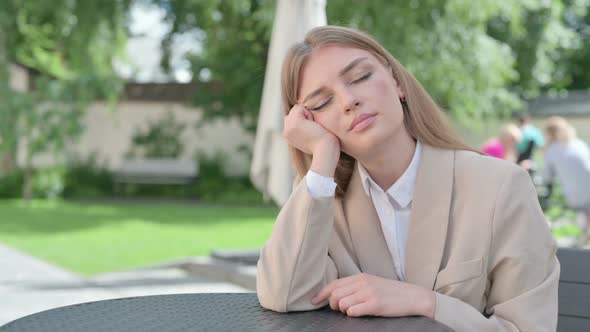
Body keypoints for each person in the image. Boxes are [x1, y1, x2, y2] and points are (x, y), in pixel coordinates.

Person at [256, 26, 559, 332]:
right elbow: (285, 294)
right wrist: (322, 156)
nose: (348, 100)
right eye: (321, 103)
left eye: (360, 77)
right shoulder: (320, 199)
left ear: (396, 81)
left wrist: (426, 304)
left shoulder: (501, 186)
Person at [542, 116, 590, 247]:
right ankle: (583, 235)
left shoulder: (553, 150)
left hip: (578, 196)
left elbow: (546, 178)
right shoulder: (579, 143)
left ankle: (581, 236)